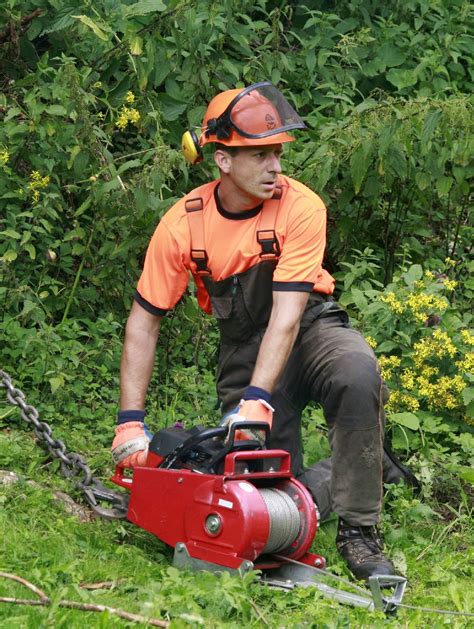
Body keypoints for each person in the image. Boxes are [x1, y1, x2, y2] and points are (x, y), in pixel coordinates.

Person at [112, 82, 414, 581]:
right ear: (222, 160)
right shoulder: (184, 224)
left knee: (357, 373)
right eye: (259, 154)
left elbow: (289, 314)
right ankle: (366, 465)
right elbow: (144, 321)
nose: (275, 165)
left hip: (311, 327)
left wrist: (257, 399)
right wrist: (129, 422)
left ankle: (360, 531)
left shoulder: (302, 206)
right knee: (258, 487)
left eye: (278, 152)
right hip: (244, 347)